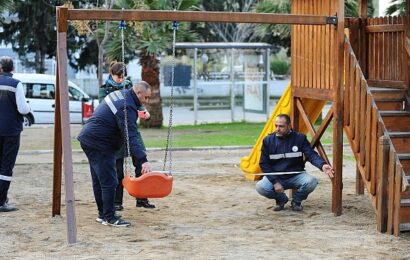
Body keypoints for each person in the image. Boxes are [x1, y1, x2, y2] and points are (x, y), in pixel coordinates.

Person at [78, 81, 153, 227]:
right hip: (100, 142)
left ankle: (103, 214)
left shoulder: (122, 96)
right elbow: (131, 135)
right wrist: (143, 160)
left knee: (99, 180)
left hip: (89, 138)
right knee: (110, 181)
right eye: (146, 97)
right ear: (138, 93)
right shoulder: (127, 106)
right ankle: (110, 217)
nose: (147, 101)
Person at [99, 61, 155, 211]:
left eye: (123, 76)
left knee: (141, 163)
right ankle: (117, 202)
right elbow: (103, 107)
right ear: (111, 74)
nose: (121, 79)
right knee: (117, 169)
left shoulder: (131, 87)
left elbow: (138, 103)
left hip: (130, 130)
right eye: (119, 76)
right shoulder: (104, 90)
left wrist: (144, 112)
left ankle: (142, 198)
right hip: (116, 133)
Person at [256, 114, 334, 212]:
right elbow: (264, 164)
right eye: (276, 126)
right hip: (277, 177)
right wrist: (275, 182)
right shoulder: (268, 140)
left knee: (312, 182)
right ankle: (281, 200)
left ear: (289, 126)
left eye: (281, 126)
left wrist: (322, 165)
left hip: (296, 175)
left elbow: (311, 155)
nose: (277, 129)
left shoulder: (300, 138)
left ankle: (296, 201)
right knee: (261, 187)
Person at [0, 56, 31, 212]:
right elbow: (23, 109)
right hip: (11, 130)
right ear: (12, 69)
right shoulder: (15, 84)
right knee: (6, 166)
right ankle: (1, 201)